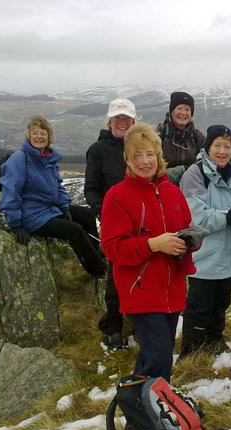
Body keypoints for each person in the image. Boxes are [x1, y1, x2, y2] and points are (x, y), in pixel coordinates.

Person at [100, 123, 196, 382]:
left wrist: (188, 241)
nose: (145, 162)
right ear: (127, 160)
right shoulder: (117, 196)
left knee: (154, 356)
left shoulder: (173, 193)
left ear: (158, 156)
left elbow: (185, 227)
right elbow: (113, 247)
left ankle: (142, 412)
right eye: (137, 156)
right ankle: (148, 415)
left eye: (150, 154)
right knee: (159, 356)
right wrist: (153, 244)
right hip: (139, 290)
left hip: (172, 290)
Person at [178, 125, 231, 358]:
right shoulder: (195, 174)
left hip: (228, 253)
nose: (222, 151)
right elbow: (196, 216)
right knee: (199, 306)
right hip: (203, 254)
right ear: (208, 147)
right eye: (217, 145)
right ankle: (191, 349)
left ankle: (215, 339)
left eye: (227, 146)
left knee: (221, 303)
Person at [0, 114, 106, 277]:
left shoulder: (48, 158)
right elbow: (10, 191)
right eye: (34, 133)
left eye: (43, 133)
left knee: (87, 215)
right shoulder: (20, 159)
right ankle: (98, 271)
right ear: (28, 136)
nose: (38, 137)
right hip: (31, 216)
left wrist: (64, 206)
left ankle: (96, 255)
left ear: (49, 137)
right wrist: (16, 224)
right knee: (74, 230)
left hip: (49, 209)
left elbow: (57, 185)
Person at [84, 98, 136, 349]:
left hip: (141, 222)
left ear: (134, 121)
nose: (122, 123)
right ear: (110, 122)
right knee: (116, 277)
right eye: (118, 119)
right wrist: (103, 213)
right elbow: (91, 189)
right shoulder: (97, 150)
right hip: (114, 224)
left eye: (126, 119)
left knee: (141, 275)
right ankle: (113, 327)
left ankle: (139, 323)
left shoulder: (140, 147)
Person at [159, 91, 206, 184]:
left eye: (187, 109)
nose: (183, 113)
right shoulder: (160, 134)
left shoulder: (197, 137)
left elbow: (206, 162)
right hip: (163, 187)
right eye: (179, 108)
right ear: (171, 111)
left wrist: (184, 170)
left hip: (192, 187)